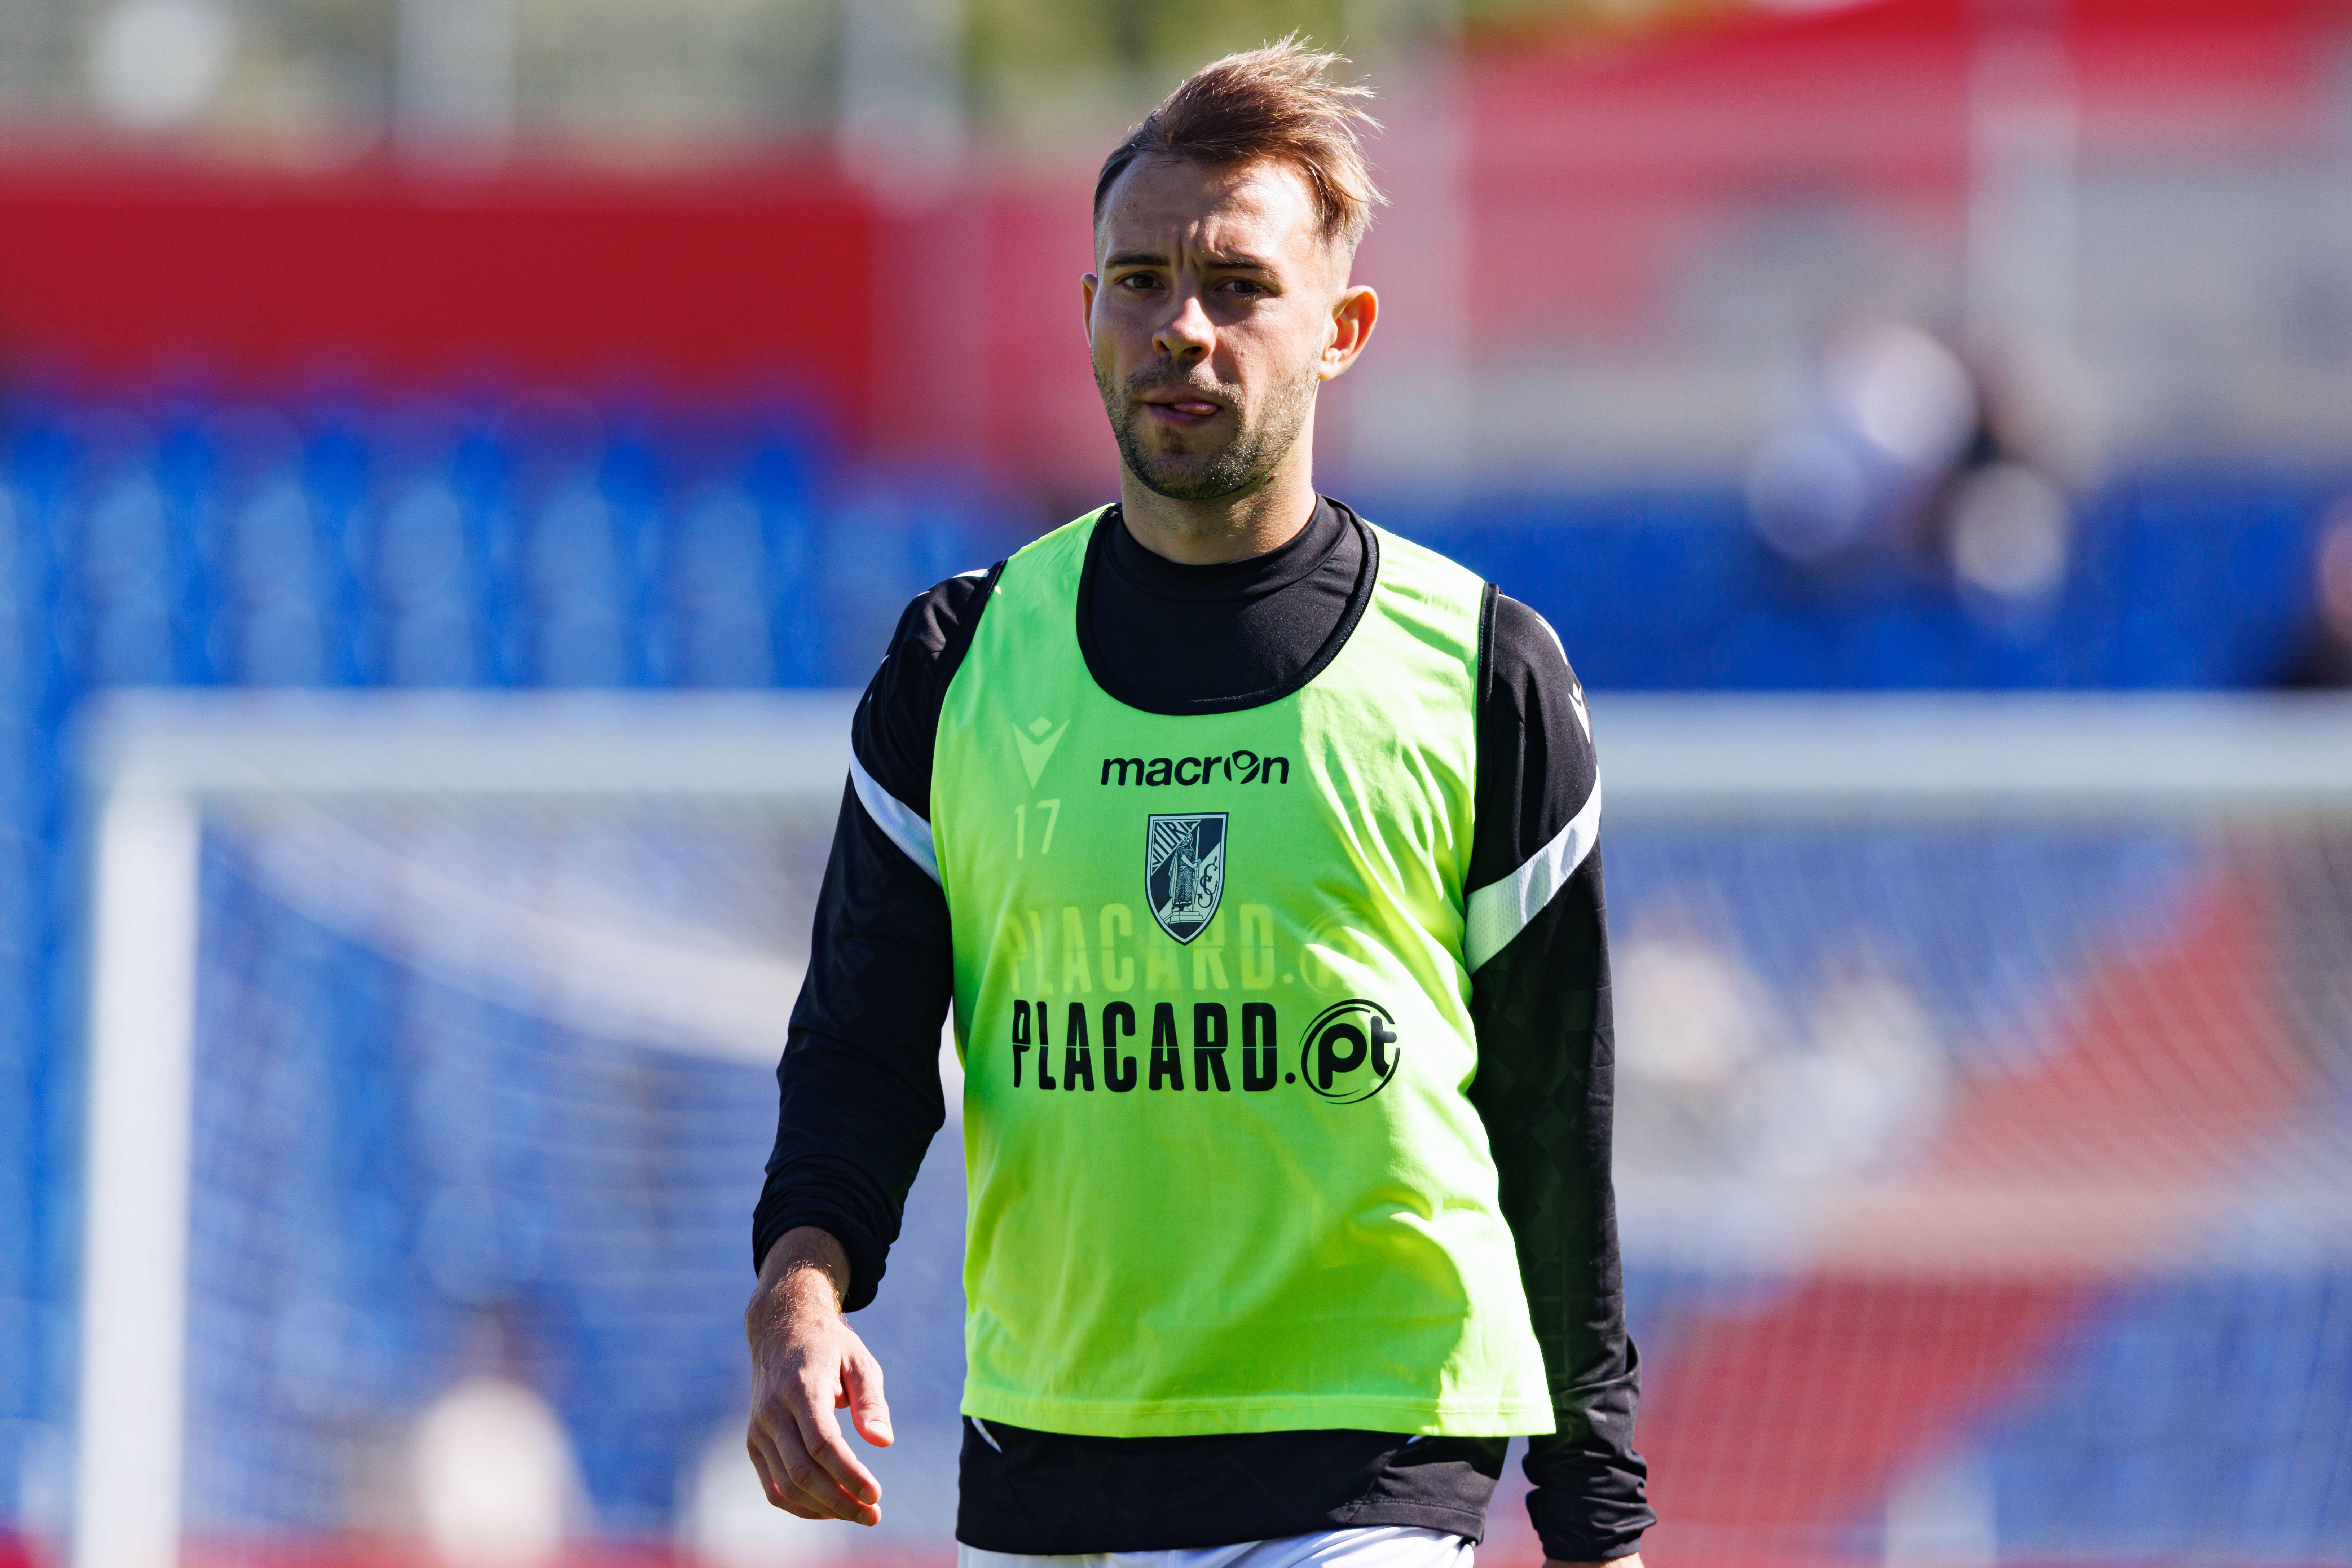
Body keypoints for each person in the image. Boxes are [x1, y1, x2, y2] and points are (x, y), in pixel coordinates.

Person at [745, 39, 1652, 1568]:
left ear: (1340, 329)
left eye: (1236, 286)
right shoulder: (960, 664)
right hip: (1048, 1460)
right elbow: (860, 1045)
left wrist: (1598, 1524)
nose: (1181, 325)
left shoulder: (1479, 671)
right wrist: (800, 1294)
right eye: (1138, 280)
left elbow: (1552, 1131)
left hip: (1366, 1461)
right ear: (1087, 315)